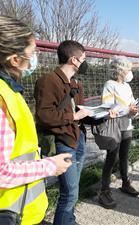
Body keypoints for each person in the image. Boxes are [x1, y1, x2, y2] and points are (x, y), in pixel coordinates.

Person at [0, 16, 72, 225]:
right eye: (32, 54)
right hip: (11, 214)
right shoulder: (3, 99)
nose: (34, 60)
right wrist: (49, 166)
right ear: (14, 59)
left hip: (21, 210)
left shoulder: (10, 91)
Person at [34, 40, 91, 225]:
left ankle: (69, 221)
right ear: (74, 60)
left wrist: (104, 114)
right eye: (83, 58)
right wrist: (74, 117)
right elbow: (44, 115)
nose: (85, 62)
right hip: (63, 141)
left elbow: (81, 114)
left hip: (78, 140)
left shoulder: (76, 84)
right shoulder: (48, 81)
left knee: (73, 191)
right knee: (69, 193)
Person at [97, 56, 139, 209]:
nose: (130, 72)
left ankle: (125, 183)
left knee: (124, 157)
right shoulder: (109, 85)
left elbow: (131, 103)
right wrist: (126, 110)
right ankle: (104, 190)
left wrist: (134, 110)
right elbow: (107, 107)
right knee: (111, 158)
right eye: (128, 69)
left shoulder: (127, 87)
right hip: (114, 127)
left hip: (127, 125)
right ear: (120, 70)